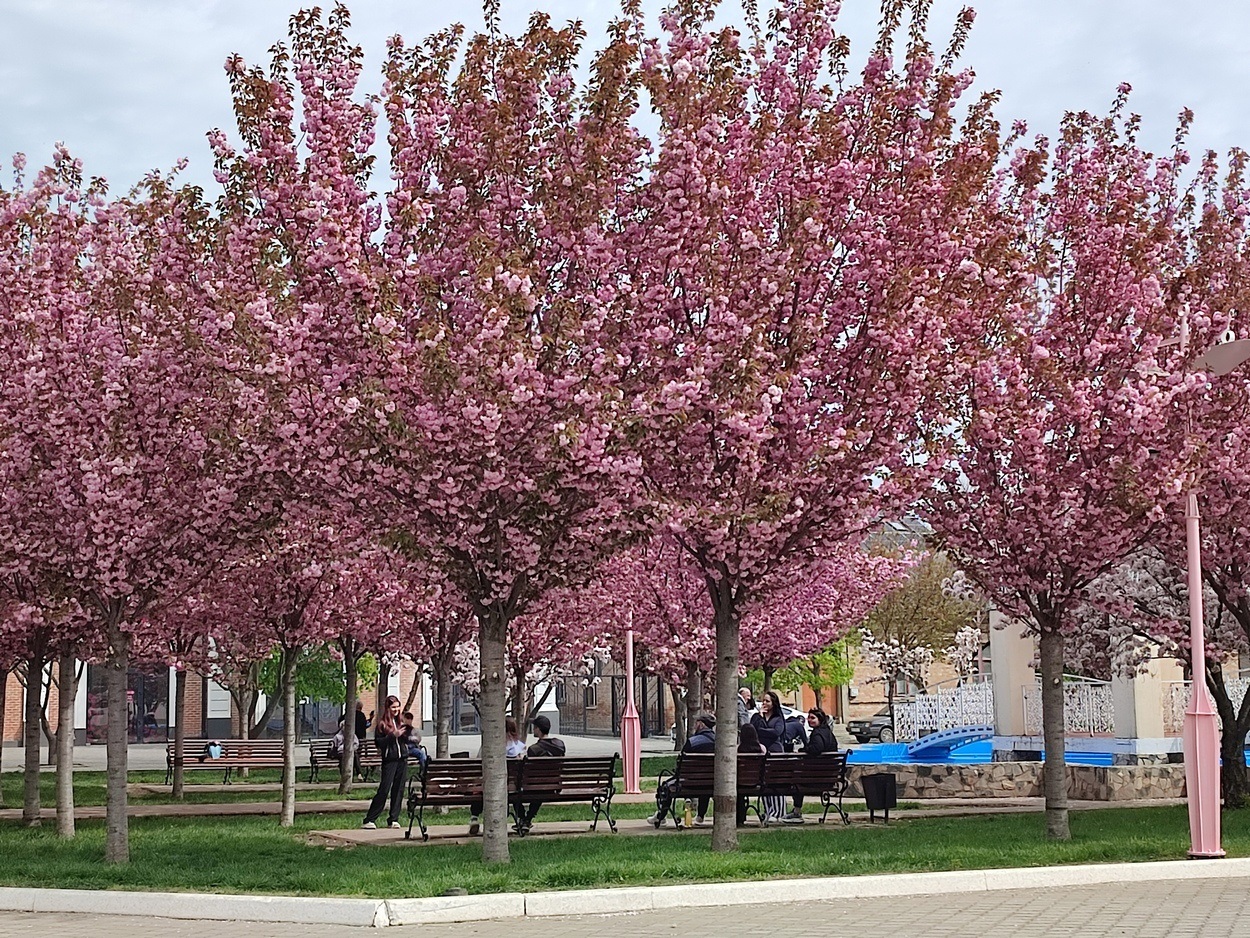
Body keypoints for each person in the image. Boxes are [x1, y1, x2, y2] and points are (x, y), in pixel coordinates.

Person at [647, 712, 716, 828]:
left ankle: (661, 816)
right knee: (705, 783)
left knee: (666, 786)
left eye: (697, 723)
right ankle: (700, 817)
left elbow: (680, 764)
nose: (695, 725)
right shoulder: (720, 742)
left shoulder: (693, 742)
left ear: (701, 724)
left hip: (688, 782)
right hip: (712, 782)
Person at [468, 716, 527, 836]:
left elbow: (479, 763)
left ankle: (474, 817)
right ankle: (522, 818)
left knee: (479, 788)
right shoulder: (521, 747)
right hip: (513, 787)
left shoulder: (490, 746)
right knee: (514, 792)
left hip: (492, 784)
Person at [361, 695, 410, 830]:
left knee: (398, 790)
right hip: (390, 760)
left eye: (398, 707)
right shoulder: (382, 724)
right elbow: (379, 743)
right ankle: (370, 819)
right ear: (388, 708)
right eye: (393, 707)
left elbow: (406, 740)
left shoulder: (400, 722)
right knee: (384, 789)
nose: (396, 710)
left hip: (402, 759)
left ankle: (393, 819)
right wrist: (392, 736)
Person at [783, 706, 838, 824]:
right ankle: (796, 811)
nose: (809, 720)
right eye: (808, 717)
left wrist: (804, 750)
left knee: (795, 779)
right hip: (829, 776)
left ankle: (797, 812)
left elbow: (817, 748)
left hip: (816, 778)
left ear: (820, 719)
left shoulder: (817, 734)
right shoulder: (828, 733)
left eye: (812, 718)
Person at [516, 714, 565, 832]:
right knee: (540, 787)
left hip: (536, 786)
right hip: (554, 785)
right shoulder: (560, 745)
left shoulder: (534, 749)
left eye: (535, 727)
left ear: (538, 729)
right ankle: (527, 820)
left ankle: (523, 818)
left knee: (516, 791)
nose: (533, 730)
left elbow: (529, 772)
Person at [750, 691, 787, 823]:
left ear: (773, 703)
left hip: (775, 752)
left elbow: (776, 732)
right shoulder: (757, 717)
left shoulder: (778, 718)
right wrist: (760, 717)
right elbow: (752, 730)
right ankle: (768, 811)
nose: (764, 703)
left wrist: (762, 730)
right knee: (764, 783)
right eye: (763, 701)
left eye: (767, 701)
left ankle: (778, 812)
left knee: (776, 782)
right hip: (761, 753)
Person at [737, 722, 765, 826]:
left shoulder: (738, 749)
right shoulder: (762, 749)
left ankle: (739, 817)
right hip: (757, 782)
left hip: (740, 783)